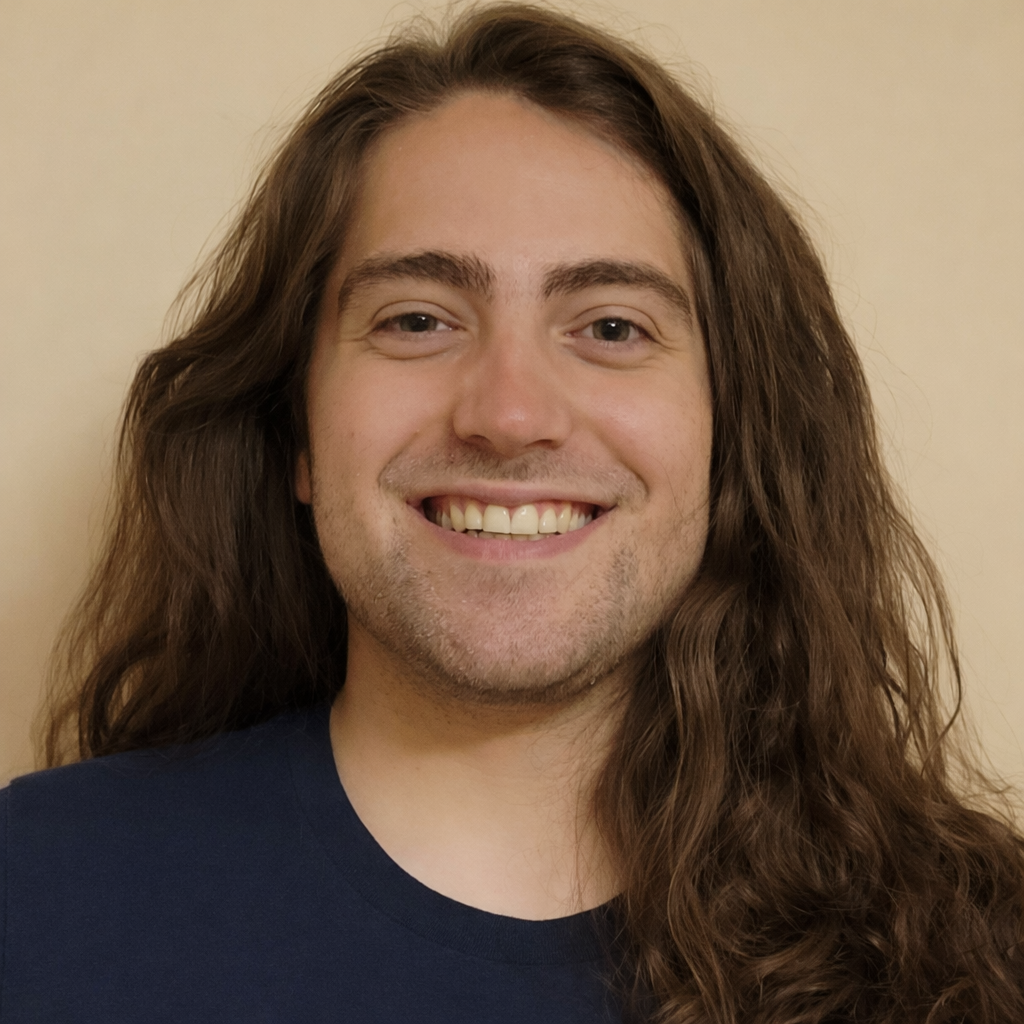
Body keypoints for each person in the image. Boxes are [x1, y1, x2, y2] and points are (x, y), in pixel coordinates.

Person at [3, 4, 1022, 1022]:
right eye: (416, 318)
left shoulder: (976, 952)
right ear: (296, 429)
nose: (509, 414)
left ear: (730, 436)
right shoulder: (38, 894)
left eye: (612, 325)